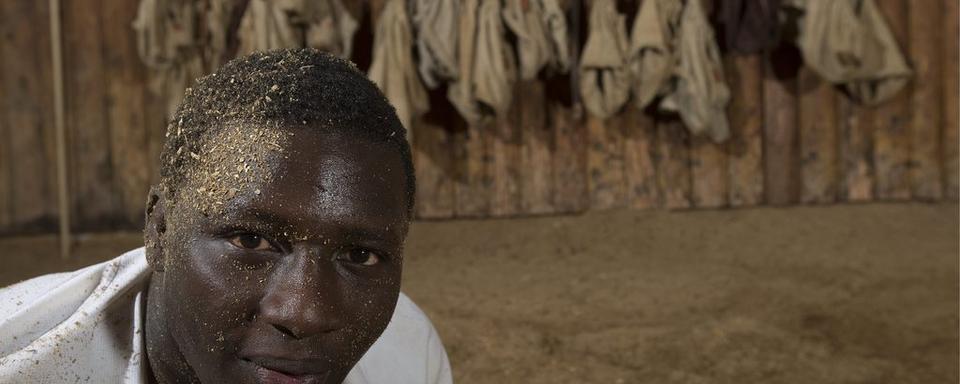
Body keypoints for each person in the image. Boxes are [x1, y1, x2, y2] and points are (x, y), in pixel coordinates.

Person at [0, 48, 453, 384]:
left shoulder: (407, 357)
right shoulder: (23, 365)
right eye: (251, 241)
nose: (305, 312)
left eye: (359, 254)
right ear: (159, 232)